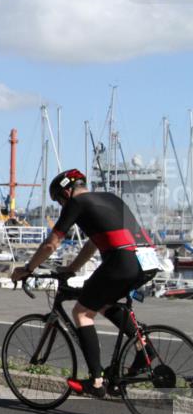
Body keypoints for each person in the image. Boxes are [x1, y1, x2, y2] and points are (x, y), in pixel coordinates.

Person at [11, 169, 159, 398]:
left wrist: (28, 269)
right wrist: (71, 269)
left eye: (60, 200)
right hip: (147, 260)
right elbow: (91, 245)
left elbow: (52, 243)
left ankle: (96, 382)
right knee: (101, 302)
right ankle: (143, 346)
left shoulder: (76, 203)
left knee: (81, 312)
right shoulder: (109, 197)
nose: (62, 206)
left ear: (67, 192)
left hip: (123, 260)